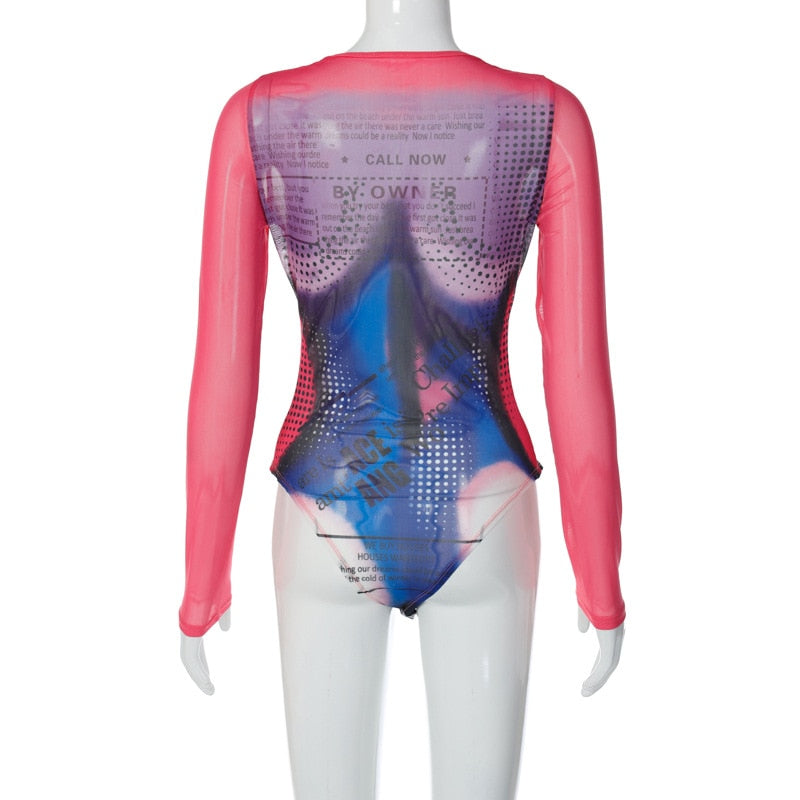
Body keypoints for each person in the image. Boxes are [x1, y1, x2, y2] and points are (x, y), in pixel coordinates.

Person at [180, 1, 625, 797]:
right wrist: (600, 576)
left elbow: (222, 368)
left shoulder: (260, 116)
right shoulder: (546, 118)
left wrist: (201, 582)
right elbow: (579, 370)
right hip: (484, 507)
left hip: (325, 510)